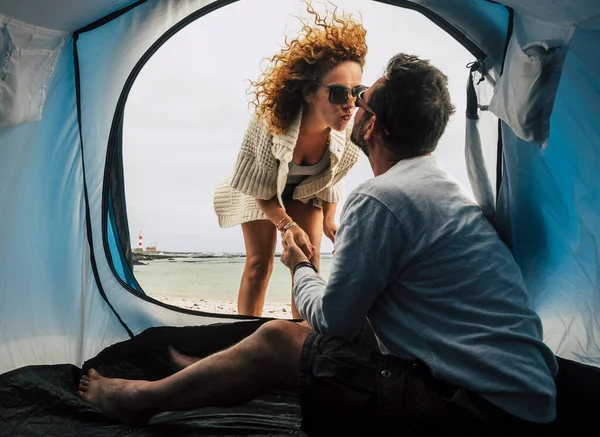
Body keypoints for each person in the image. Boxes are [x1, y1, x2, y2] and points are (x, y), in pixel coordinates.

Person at [78, 54, 558, 436]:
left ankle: (139, 401)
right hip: (526, 402)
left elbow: (330, 319)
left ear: (372, 127)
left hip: (471, 414)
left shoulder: (382, 197)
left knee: (278, 339)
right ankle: (212, 370)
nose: (352, 102)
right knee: (318, 325)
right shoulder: (441, 189)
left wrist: (301, 266)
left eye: (362, 97)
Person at [212, 3, 367, 318]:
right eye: (339, 94)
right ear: (310, 92)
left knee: (309, 261)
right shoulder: (269, 124)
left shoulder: (347, 136)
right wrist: (287, 225)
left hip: (303, 192)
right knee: (260, 264)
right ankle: (246, 336)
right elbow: (260, 190)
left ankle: (303, 339)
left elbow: (331, 180)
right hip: (258, 188)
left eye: (357, 92)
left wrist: (329, 221)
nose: (350, 105)